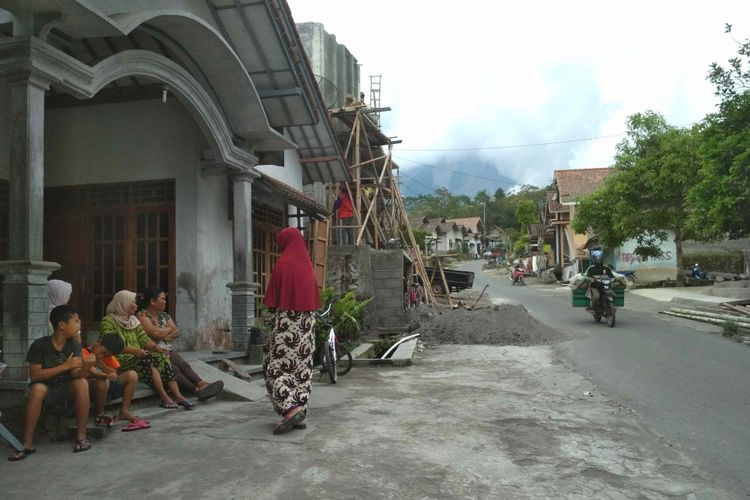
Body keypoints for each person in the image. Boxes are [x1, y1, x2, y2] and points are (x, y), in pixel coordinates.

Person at [8, 305, 94, 461]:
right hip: (46, 388)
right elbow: (34, 376)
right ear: (62, 325)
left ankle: (81, 437)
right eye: (75, 321)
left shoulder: (74, 345)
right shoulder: (40, 345)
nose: (79, 325)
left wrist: (86, 367)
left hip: (65, 388)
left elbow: (76, 374)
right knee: (37, 389)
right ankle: (27, 444)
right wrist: (64, 366)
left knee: (82, 383)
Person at [263, 227, 320, 435]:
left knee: (273, 368)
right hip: (307, 330)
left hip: (286, 327)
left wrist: (268, 328)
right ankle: (300, 411)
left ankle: (290, 408)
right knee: (301, 372)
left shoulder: (283, 265)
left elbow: (271, 306)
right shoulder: (308, 267)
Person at [100, 290, 195, 410]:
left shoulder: (133, 320)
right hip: (118, 359)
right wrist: (135, 352)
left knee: (161, 356)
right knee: (149, 360)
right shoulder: (108, 321)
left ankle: (177, 395)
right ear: (123, 304)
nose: (136, 306)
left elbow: (144, 339)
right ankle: (165, 397)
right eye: (132, 303)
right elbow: (111, 346)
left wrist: (156, 347)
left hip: (137, 356)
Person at [136, 286, 224, 401]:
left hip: (164, 348)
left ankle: (202, 383)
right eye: (162, 299)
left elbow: (176, 331)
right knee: (174, 369)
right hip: (151, 352)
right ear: (152, 301)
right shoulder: (142, 316)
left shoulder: (163, 315)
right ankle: (195, 390)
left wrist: (163, 333)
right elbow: (155, 332)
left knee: (183, 364)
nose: (165, 301)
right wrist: (167, 329)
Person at [82, 334, 144, 429]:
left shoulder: (107, 356)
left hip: (109, 385)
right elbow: (91, 373)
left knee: (132, 375)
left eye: (105, 355)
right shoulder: (83, 352)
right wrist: (106, 375)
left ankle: (124, 411)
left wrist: (101, 364)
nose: (101, 355)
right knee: (103, 382)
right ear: (98, 342)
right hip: (92, 387)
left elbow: (114, 371)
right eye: (102, 352)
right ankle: (100, 414)